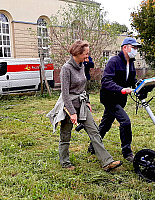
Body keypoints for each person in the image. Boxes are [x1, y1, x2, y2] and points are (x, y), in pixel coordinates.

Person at [47, 40, 122, 171]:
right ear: (77, 53)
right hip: (68, 106)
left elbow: (83, 86)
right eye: (85, 54)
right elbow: (65, 94)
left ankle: (107, 162)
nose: (87, 57)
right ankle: (65, 163)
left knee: (94, 132)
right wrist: (72, 112)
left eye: (88, 54)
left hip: (81, 104)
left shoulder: (82, 65)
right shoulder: (66, 69)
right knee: (65, 136)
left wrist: (86, 101)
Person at [88, 37, 142, 163]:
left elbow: (132, 81)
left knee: (106, 124)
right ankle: (127, 152)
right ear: (125, 47)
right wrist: (121, 89)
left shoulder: (131, 63)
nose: (135, 50)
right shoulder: (114, 61)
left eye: (136, 48)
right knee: (125, 122)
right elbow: (106, 81)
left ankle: (92, 146)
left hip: (120, 100)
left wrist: (140, 85)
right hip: (110, 98)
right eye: (133, 47)